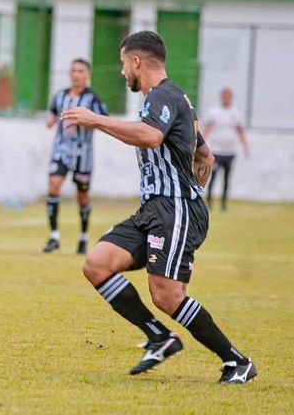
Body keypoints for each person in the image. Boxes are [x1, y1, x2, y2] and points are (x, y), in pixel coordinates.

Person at [61, 31, 256, 384]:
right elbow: (204, 153)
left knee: (166, 295)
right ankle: (159, 336)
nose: (122, 72)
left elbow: (151, 136)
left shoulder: (162, 96)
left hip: (175, 209)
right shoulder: (171, 99)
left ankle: (236, 361)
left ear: (137, 61)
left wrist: (97, 120)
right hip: (155, 209)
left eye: (123, 64)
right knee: (97, 265)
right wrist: (197, 175)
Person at [43, 59, 108, 255]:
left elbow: (103, 120)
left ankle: (83, 237)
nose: (76, 74)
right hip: (61, 150)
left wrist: (88, 122)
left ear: (88, 75)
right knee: (53, 186)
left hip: (83, 154)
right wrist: (51, 120)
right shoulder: (60, 95)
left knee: (83, 196)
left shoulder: (93, 98)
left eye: (80, 71)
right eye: (73, 70)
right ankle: (54, 236)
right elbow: (53, 113)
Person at [203, 88, 249, 212]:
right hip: (217, 151)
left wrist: (245, 146)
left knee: (227, 179)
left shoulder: (236, 114)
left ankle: (223, 204)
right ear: (221, 97)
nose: (226, 99)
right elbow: (207, 129)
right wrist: (202, 145)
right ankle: (209, 202)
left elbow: (240, 131)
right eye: (224, 96)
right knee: (213, 177)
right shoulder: (214, 113)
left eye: (228, 96)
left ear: (231, 98)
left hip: (230, 151)